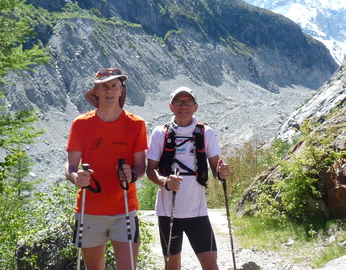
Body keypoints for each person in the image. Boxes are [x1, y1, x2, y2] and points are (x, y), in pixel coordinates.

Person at [64, 68, 147, 270]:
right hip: (90, 210)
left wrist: (132, 175)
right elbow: (70, 165)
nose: (109, 90)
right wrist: (76, 178)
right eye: (104, 86)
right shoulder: (81, 124)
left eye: (114, 86)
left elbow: (140, 166)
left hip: (125, 210)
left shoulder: (136, 124)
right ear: (97, 91)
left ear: (121, 91)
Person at [146, 86, 231, 270]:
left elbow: (215, 167)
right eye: (178, 102)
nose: (183, 106)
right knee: (172, 266)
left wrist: (222, 172)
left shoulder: (206, 132)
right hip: (167, 212)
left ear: (196, 107)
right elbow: (150, 170)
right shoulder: (160, 133)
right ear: (171, 106)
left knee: (211, 266)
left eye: (188, 102)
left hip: (198, 212)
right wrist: (165, 182)